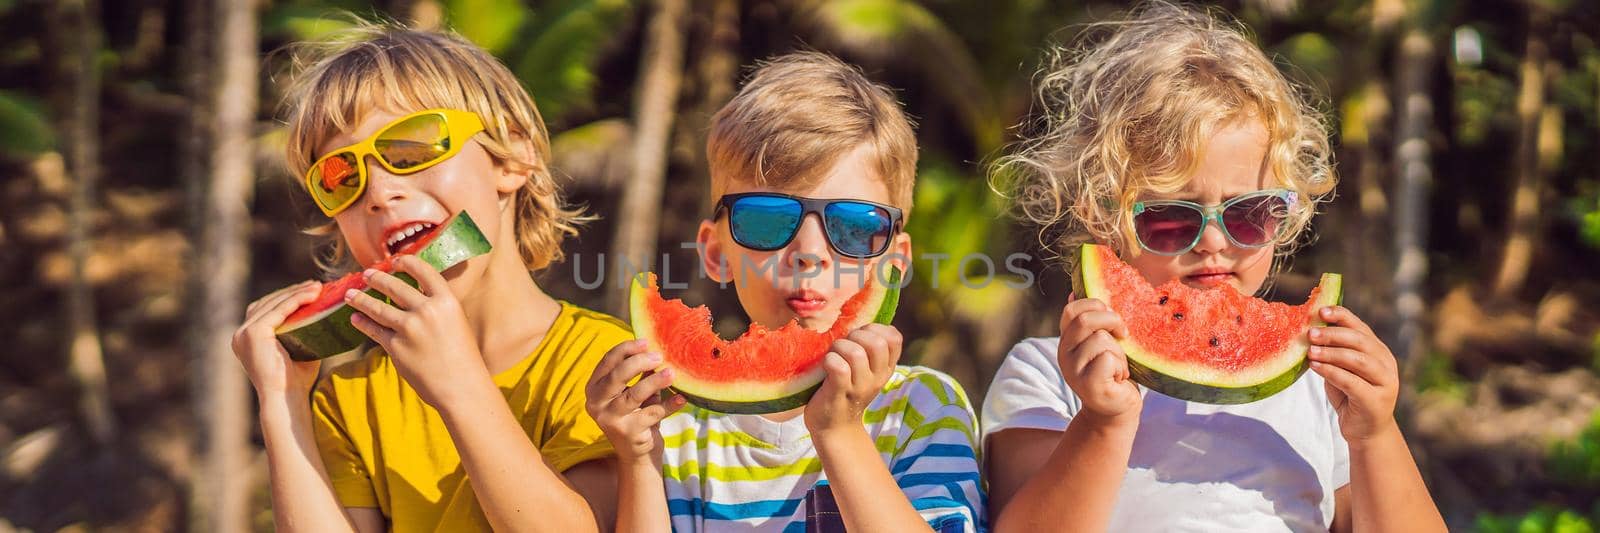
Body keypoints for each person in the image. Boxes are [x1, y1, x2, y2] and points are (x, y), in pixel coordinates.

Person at [983, 3, 1447, 531]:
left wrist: (1375, 433)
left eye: (1249, 214)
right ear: (1100, 217)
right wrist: (1102, 423)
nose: (1212, 242)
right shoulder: (1047, 377)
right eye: (1168, 218)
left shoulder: (1318, 391)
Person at [230, 22, 627, 532]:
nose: (378, 191)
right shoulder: (349, 401)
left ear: (512, 153)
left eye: (412, 148)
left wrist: (457, 386)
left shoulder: (599, 362)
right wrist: (282, 403)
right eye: (341, 177)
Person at [584, 51, 985, 532]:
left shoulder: (922, 408)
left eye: (855, 226)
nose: (810, 252)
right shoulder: (673, 427)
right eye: (766, 219)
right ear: (715, 252)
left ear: (895, 262)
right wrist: (636, 460)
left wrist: (839, 432)